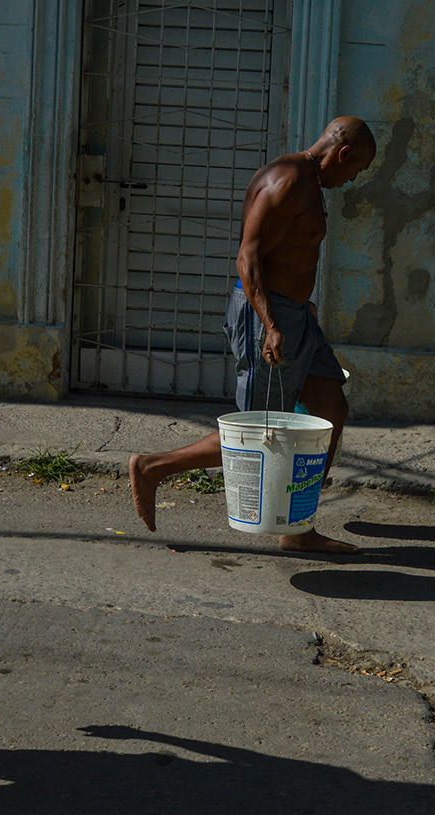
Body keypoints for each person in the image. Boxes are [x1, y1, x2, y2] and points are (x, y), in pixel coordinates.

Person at [128, 116, 376, 554]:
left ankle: (297, 526)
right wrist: (272, 325)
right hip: (269, 315)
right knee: (258, 435)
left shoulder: (309, 182)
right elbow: (248, 257)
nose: (352, 180)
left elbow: (289, 254)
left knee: (329, 407)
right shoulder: (287, 182)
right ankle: (152, 468)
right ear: (344, 155)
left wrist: (301, 307)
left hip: (296, 315)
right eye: (355, 172)